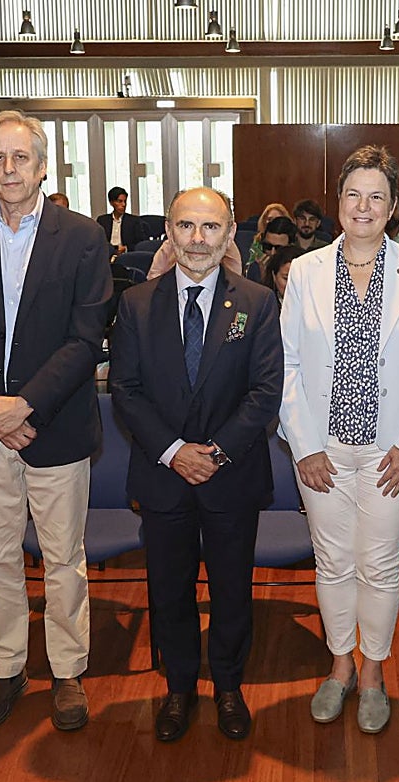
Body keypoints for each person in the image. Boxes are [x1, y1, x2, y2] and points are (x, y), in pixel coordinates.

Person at [0, 110, 111, 732]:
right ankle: (6, 668)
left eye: (20, 158)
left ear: (42, 166)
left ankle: (67, 672)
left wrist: (25, 405)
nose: (9, 170)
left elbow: (85, 339)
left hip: (54, 425)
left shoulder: (84, 237)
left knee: (64, 559)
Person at [279, 145, 399, 734]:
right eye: (354, 193)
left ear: (394, 207)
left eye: (376, 195)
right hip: (322, 451)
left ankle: (373, 673)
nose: (363, 205)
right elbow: (287, 367)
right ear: (338, 203)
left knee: (378, 566)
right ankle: (338, 668)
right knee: (331, 563)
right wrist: (302, 445)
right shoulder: (304, 272)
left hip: (392, 454)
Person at [109, 187, 282, 743]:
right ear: (169, 231)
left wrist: (216, 452)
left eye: (211, 227)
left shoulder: (256, 302)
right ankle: (178, 687)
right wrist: (174, 451)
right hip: (164, 477)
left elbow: (265, 391)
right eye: (186, 226)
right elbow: (126, 390)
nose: (198, 239)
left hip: (231, 475)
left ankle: (228, 686)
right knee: (169, 589)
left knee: (232, 589)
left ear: (230, 234)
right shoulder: (136, 303)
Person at [248, 215, 298, 284]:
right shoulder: (255, 268)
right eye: (268, 246)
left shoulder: (300, 268)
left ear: (291, 246)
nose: (272, 253)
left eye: (279, 248)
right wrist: (264, 277)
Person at [97, 186, 146, 255]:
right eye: (120, 201)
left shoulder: (134, 221)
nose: (123, 204)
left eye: (125, 201)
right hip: (107, 255)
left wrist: (126, 248)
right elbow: (98, 242)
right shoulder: (102, 220)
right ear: (111, 203)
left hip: (126, 255)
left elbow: (141, 244)